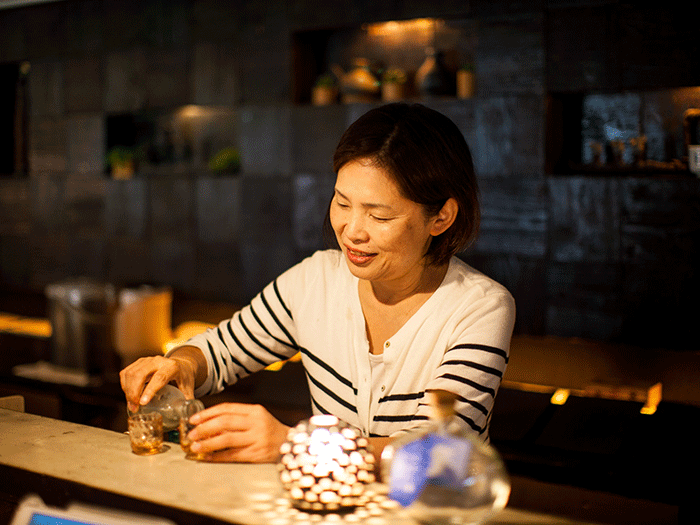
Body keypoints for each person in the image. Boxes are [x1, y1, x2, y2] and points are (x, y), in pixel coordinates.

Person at [120, 102, 516, 463]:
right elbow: (221, 349)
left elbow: (437, 451)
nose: (351, 230)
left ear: (442, 217)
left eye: (378, 216)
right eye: (342, 203)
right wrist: (180, 366)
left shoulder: (480, 308)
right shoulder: (316, 280)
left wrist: (293, 443)